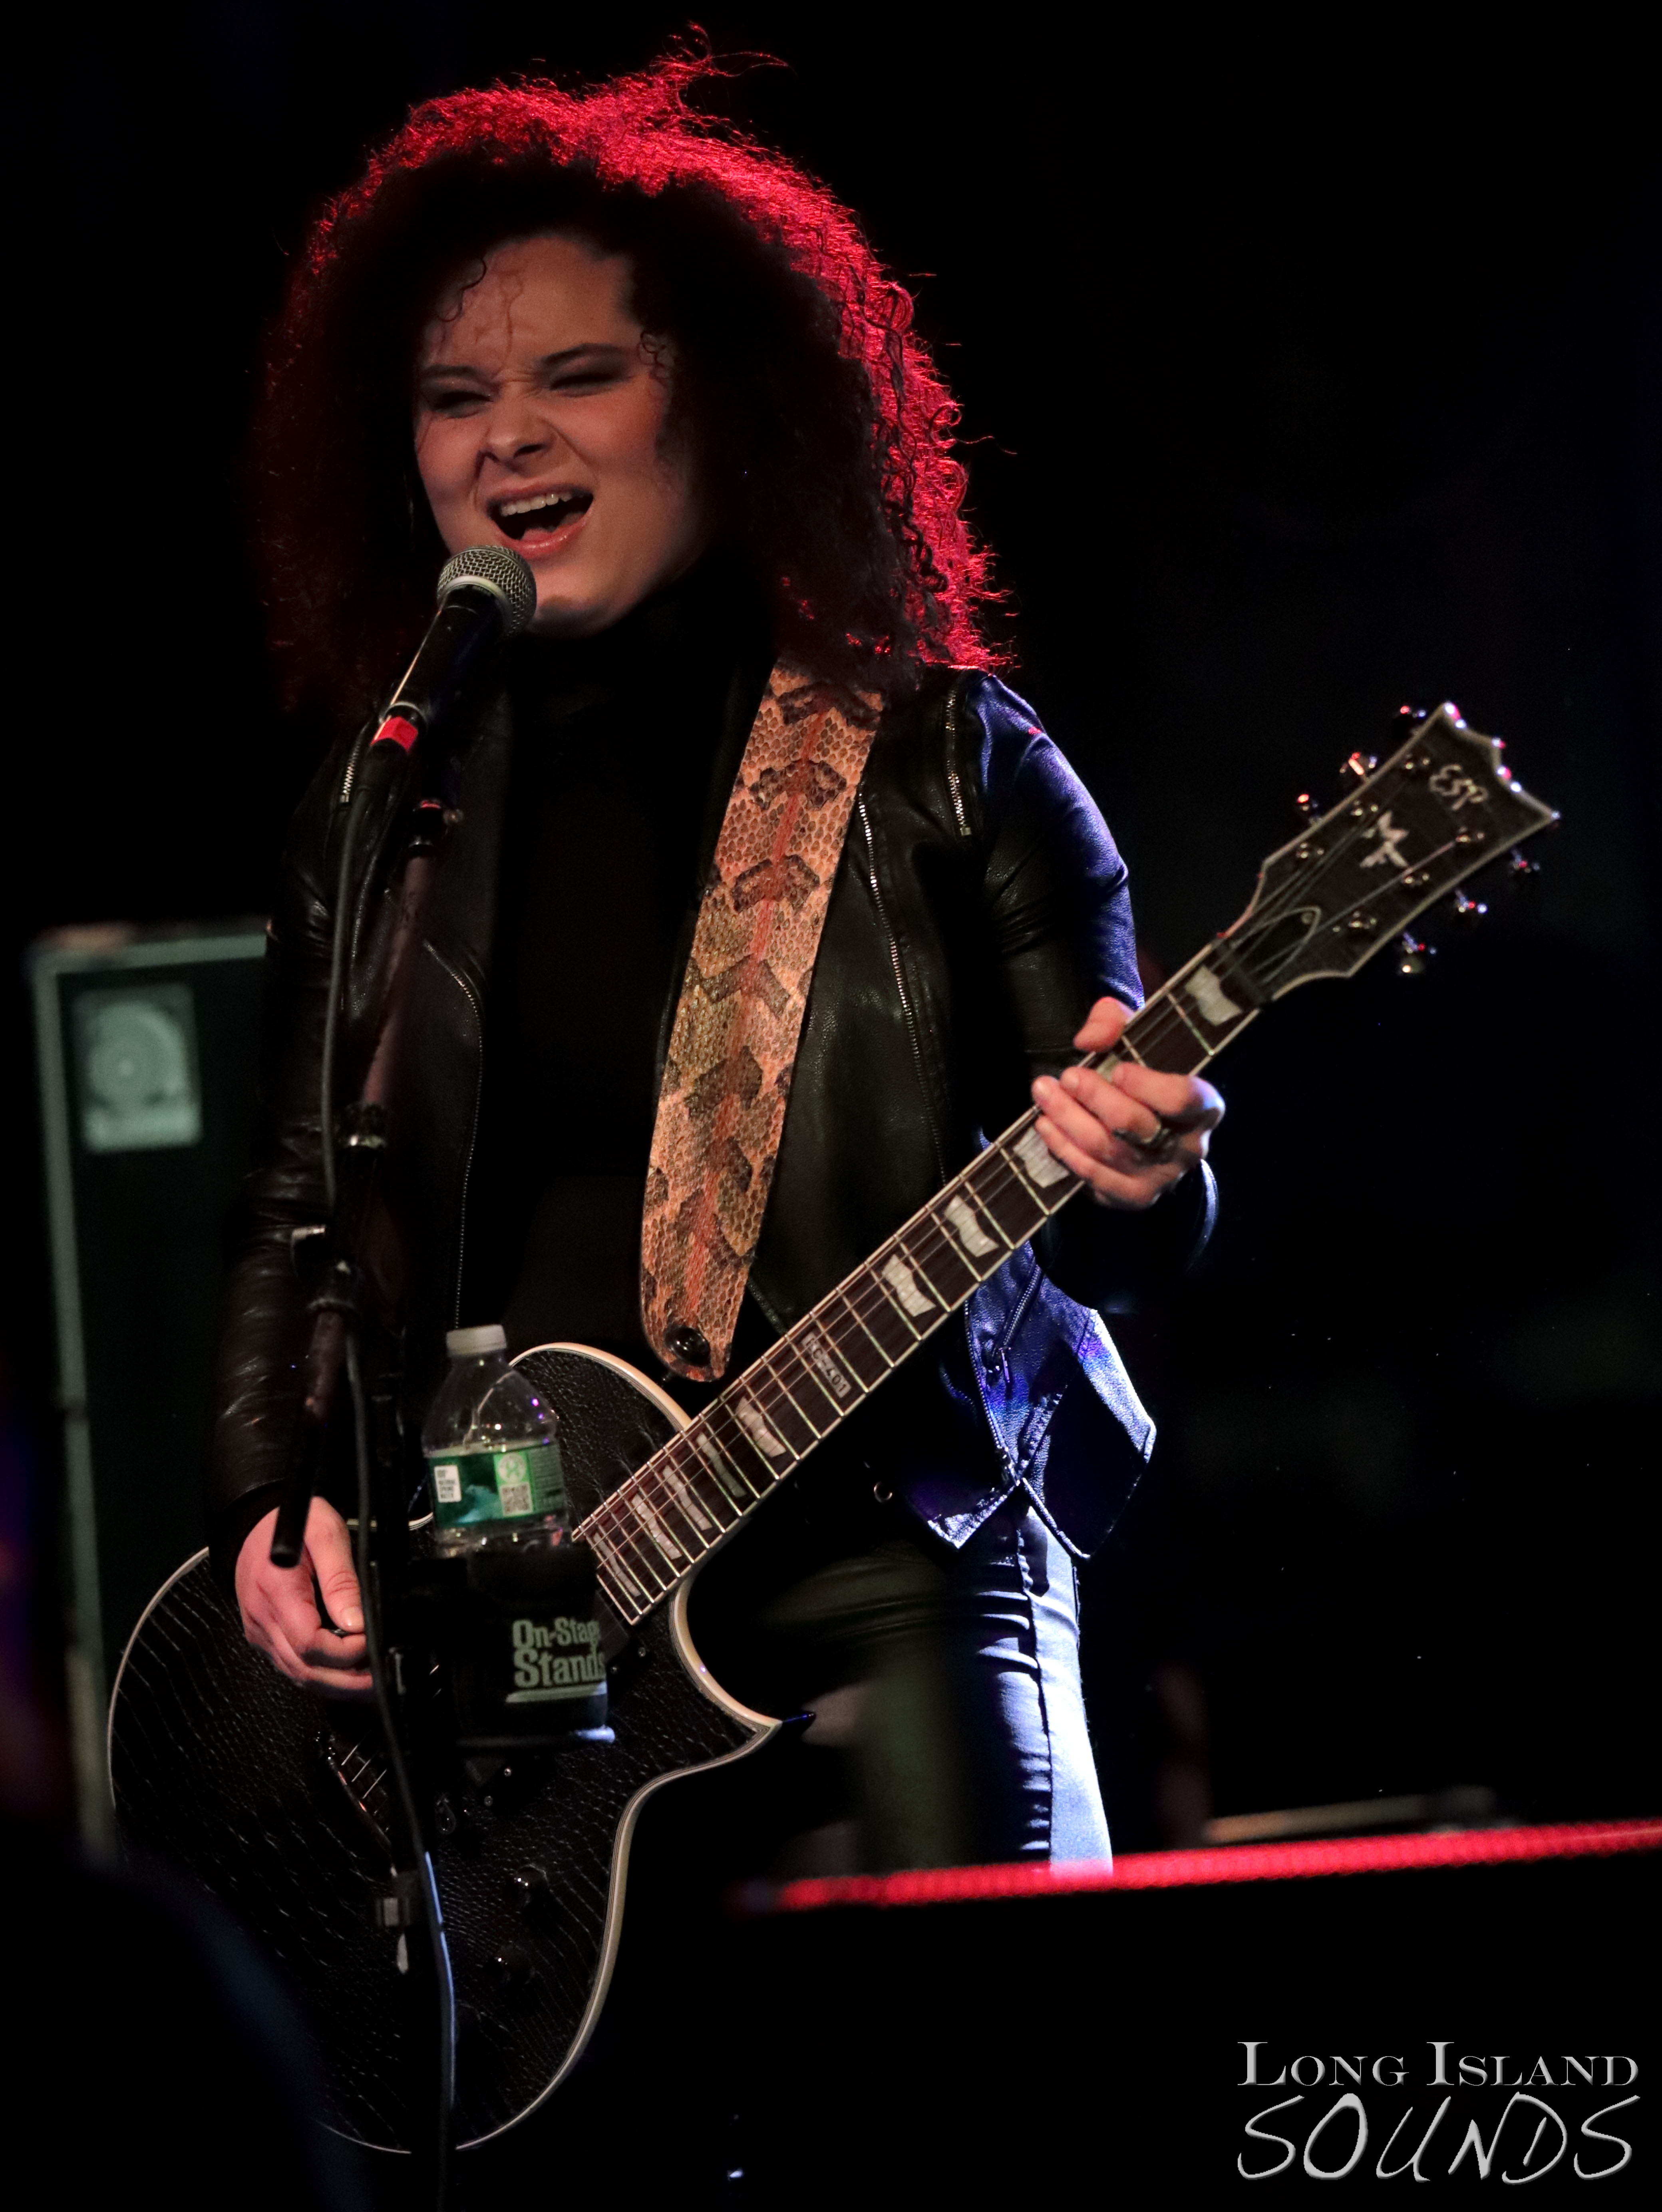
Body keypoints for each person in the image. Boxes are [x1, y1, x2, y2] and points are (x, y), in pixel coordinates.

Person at [212, 54, 1223, 1874]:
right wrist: (269, 1512)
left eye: (578, 376)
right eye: (455, 399)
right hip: (526, 1623)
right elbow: (300, 1200)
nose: (507, 438)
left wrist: (1144, 1170)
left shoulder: (944, 761)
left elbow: (1120, 1237)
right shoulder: (386, 803)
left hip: (884, 1585)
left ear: (721, 401)